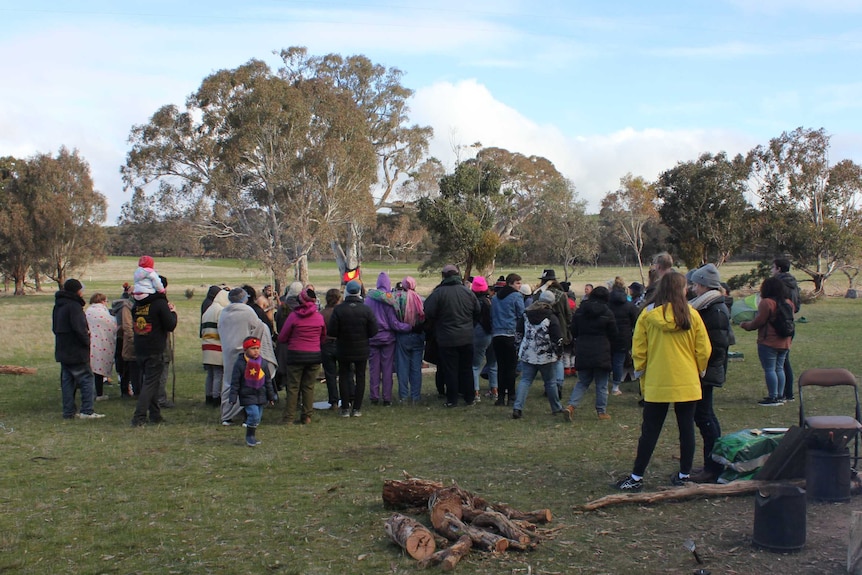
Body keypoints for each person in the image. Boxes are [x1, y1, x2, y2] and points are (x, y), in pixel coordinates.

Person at [615, 271, 711, 491]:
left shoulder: (648, 315)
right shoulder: (692, 315)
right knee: (686, 429)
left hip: (658, 381)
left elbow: (639, 349)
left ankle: (637, 477)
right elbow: (703, 348)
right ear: (682, 289)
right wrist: (699, 370)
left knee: (649, 430)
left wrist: (641, 373)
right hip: (687, 380)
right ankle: (684, 474)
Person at [687, 264, 733, 483]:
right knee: (704, 416)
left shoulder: (714, 310)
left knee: (705, 418)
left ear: (704, 285)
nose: (693, 289)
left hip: (706, 371)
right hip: (705, 370)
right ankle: (710, 464)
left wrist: (702, 368)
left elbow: (716, 345)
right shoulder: (708, 306)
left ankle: (712, 468)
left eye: (696, 284)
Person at [424, 264, 481, 407]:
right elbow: (477, 311)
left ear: (443, 276)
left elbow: (428, 312)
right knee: (466, 368)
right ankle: (469, 398)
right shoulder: (468, 292)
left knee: (450, 370)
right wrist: (469, 325)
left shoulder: (438, 293)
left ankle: (452, 399)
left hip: (446, 338)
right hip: (467, 337)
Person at [219, 287, 276, 426]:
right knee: (248, 383)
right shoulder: (248, 312)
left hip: (228, 351)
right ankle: (247, 416)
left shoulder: (224, 312)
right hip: (245, 352)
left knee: (229, 382)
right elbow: (258, 327)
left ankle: (226, 415)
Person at [563, 286, 618, 421]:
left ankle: (571, 406)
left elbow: (574, 330)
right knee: (602, 383)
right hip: (602, 350)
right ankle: (601, 412)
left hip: (583, 349)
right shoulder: (607, 312)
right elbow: (614, 333)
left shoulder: (581, 311)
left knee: (582, 382)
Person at [53, 278, 104, 420]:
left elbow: (54, 328)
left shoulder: (58, 305)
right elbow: (79, 329)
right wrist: (87, 342)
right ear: (77, 291)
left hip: (62, 348)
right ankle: (87, 410)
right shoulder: (74, 307)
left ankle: (68, 411)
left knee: (67, 380)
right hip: (76, 349)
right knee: (86, 378)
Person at [130, 277, 177, 426]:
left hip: (140, 347)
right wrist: (173, 313)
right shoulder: (159, 304)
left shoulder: (137, 304)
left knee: (152, 382)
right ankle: (139, 417)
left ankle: (155, 414)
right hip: (155, 348)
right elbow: (170, 325)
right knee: (150, 383)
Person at [739, 276, 793, 406]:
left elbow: (759, 321)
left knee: (769, 369)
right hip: (785, 340)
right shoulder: (789, 303)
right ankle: (780, 395)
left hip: (768, 341)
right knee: (779, 368)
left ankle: (773, 396)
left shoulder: (767, 303)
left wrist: (745, 325)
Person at [328, 280, 379, 417]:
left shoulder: (339, 309)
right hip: (361, 348)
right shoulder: (366, 310)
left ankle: (345, 408)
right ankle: (357, 408)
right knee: (360, 377)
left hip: (343, 348)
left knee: (344, 376)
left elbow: (331, 331)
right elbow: (374, 330)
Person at [512, 290, 564, 419]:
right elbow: (556, 337)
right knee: (550, 382)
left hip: (527, 353)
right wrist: (559, 352)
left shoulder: (526, 313)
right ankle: (556, 408)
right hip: (545, 355)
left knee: (525, 380)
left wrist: (518, 347)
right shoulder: (551, 317)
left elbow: (518, 333)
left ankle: (517, 408)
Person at [278, 288, 326, 425]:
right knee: (308, 386)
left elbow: (282, 337)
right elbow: (323, 336)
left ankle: (289, 417)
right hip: (314, 355)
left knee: (293, 387)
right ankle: (307, 416)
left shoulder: (294, 316)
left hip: (296, 355)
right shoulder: (319, 317)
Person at [365, 272, 411, 406]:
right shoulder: (389, 300)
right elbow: (394, 323)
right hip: (388, 339)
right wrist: (409, 326)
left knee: (374, 369)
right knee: (387, 369)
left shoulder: (368, 299)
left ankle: (374, 396)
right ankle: (387, 397)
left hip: (372, 339)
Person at [228, 336, 277, 447]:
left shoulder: (263, 363)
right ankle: (249, 437)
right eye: (252, 348)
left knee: (257, 418)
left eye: (257, 348)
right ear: (246, 350)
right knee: (253, 415)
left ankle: (252, 435)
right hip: (247, 395)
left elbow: (268, 381)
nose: (256, 351)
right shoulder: (240, 364)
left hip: (261, 394)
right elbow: (235, 382)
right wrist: (233, 397)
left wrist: (271, 396)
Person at [490, 273, 525, 406]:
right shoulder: (516, 296)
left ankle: (500, 397)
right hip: (510, 334)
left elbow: (492, 315)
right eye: (517, 283)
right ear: (511, 283)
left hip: (497, 335)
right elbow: (521, 314)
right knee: (511, 367)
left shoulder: (495, 298)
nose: (519, 286)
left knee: (501, 366)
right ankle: (511, 395)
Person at [772, 258, 801, 401]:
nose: (771, 270)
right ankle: (787, 392)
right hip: (790, 322)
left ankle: (782, 393)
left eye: (773, 267)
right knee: (784, 359)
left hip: (780, 323)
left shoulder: (778, 284)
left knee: (780, 362)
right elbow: (798, 305)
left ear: (778, 269)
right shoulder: (794, 283)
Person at [394, 276, 426, 404]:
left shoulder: (397, 299)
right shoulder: (421, 299)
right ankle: (415, 396)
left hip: (403, 335)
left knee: (402, 367)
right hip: (418, 335)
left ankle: (403, 395)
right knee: (416, 368)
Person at [608, 278, 639, 396]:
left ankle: (603, 385)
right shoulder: (629, 305)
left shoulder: (607, 303)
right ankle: (616, 386)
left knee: (607, 360)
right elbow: (635, 320)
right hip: (623, 336)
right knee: (618, 361)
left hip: (608, 335)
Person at [85, 292, 118, 401]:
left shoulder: (88, 311)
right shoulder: (104, 313)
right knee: (99, 369)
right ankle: (99, 393)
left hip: (88, 342)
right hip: (102, 343)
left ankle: (88, 393)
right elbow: (113, 326)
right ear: (103, 301)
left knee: (90, 369)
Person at [201, 288, 231, 406]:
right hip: (217, 346)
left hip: (206, 345)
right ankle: (216, 397)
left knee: (210, 374)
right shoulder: (221, 311)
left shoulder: (208, 310)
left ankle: (208, 396)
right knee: (218, 373)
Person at [470, 276, 497, 403]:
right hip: (493, 333)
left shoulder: (472, 303)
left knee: (475, 365)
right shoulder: (491, 301)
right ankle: (495, 390)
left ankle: (475, 392)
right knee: (492, 364)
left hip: (479, 334)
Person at [319, 288, 342, 409]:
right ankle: (348, 396)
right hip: (340, 343)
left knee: (330, 374)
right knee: (345, 371)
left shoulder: (322, 313)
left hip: (326, 345)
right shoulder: (341, 312)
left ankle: (333, 400)